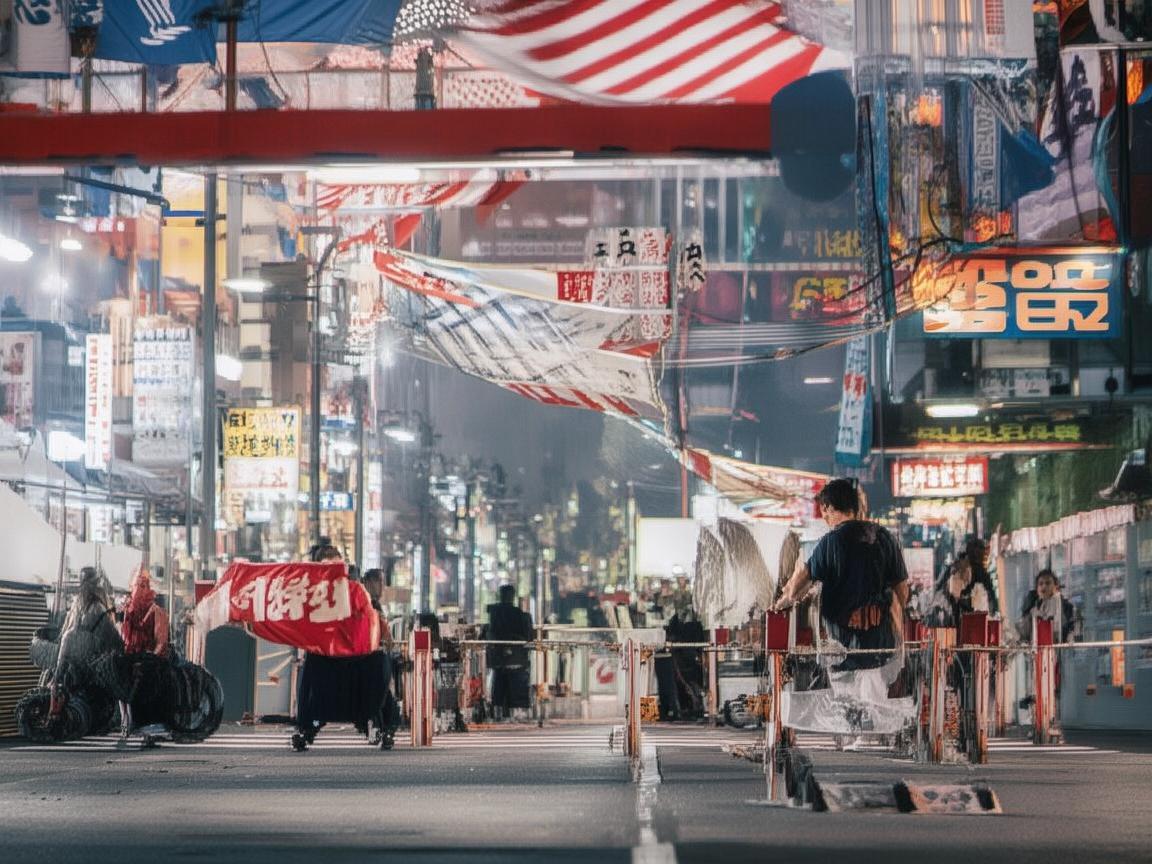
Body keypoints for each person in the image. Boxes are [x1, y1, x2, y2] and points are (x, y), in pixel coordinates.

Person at [773, 478, 910, 671]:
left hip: (842, 655)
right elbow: (903, 593)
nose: (824, 517)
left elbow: (795, 590)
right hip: (882, 654)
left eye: (823, 510)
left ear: (828, 507)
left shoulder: (829, 544)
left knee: (845, 701)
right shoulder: (885, 537)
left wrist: (778, 605)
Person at [483, 584, 534, 721]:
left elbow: (490, 633)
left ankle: (498, 712)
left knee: (499, 685)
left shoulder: (494, 613)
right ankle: (517, 712)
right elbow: (528, 636)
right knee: (516, 686)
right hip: (517, 657)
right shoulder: (520, 615)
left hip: (498, 658)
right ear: (513, 596)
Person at [121, 567, 170, 658]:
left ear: (149, 587)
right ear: (132, 586)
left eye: (143, 585)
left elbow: (161, 644)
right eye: (136, 585)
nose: (139, 590)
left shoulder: (158, 613)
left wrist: (148, 662)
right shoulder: (127, 611)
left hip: (150, 666)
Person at [1019, 568, 1077, 644]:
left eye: (1048, 583)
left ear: (1056, 586)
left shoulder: (1066, 606)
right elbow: (1024, 633)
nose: (1044, 586)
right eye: (1041, 584)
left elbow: (1071, 629)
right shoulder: (1033, 607)